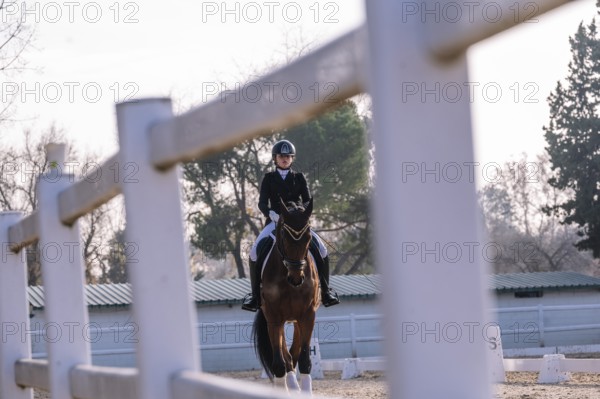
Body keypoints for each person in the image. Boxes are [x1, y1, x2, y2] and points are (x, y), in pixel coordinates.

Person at [242, 139, 340, 311]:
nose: (285, 159)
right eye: (281, 156)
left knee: (322, 250)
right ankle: (255, 296)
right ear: (275, 158)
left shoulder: (299, 178)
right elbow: (262, 203)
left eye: (288, 156)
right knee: (254, 253)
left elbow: (308, 199)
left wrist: (301, 211)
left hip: (297, 223)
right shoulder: (269, 178)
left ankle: (325, 291)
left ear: (292, 159)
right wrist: (271, 213)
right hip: (275, 222)